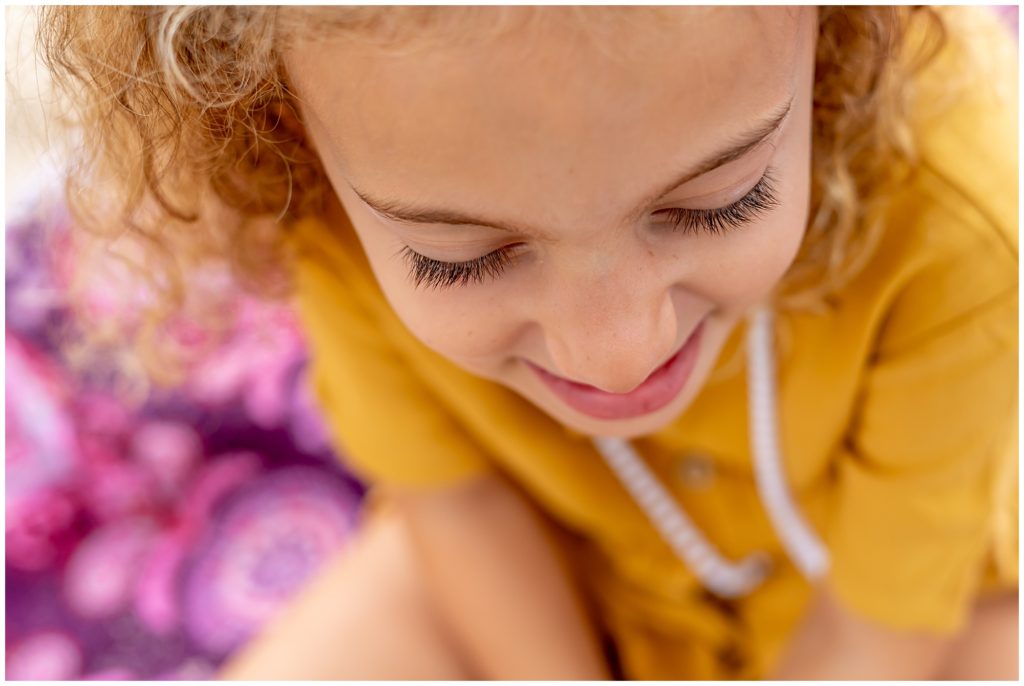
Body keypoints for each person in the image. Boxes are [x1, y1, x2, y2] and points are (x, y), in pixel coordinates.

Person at [38, 6, 1017, 679]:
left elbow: (882, 622)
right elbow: (456, 499)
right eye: (466, 260)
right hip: (559, 554)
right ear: (287, 124)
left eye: (721, 200)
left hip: (923, 609)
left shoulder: (959, 222)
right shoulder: (320, 202)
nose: (616, 355)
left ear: (833, 31)